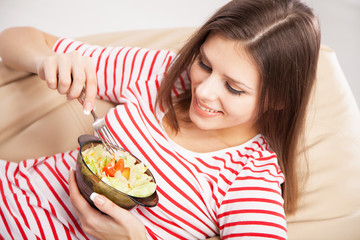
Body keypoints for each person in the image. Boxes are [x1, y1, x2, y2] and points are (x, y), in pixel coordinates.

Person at [0, 0, 321, 239]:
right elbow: (15, 39)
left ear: (277, 99)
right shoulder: (165, 72)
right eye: (205, 64)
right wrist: (47, 61)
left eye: (233, 88)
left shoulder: (250, 176)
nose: (204, 92)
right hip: (11, 190)